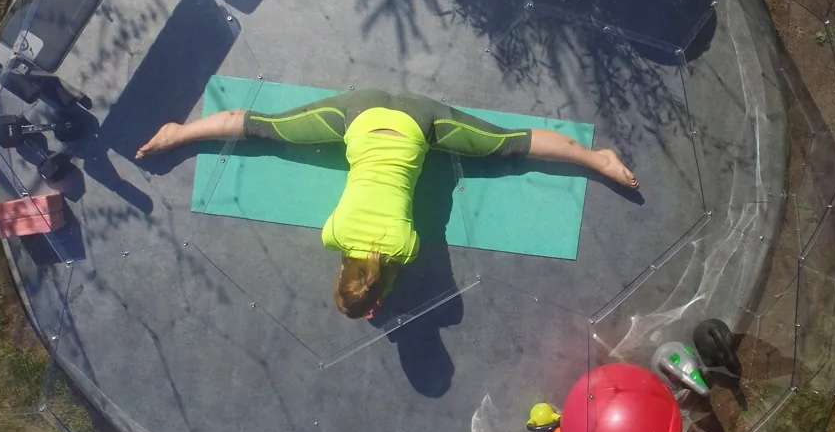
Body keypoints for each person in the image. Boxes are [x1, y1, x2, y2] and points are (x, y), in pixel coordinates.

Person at [136, 90, 637, 319]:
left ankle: (598, 160)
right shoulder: (332, 236)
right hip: (357, 110)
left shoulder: (403, 250)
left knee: (510, 145)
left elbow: (388, 261)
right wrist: (366, 287)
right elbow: (355, 248)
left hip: (424, 123)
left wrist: (377, 297)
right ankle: (181, 132)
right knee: (262, 125)